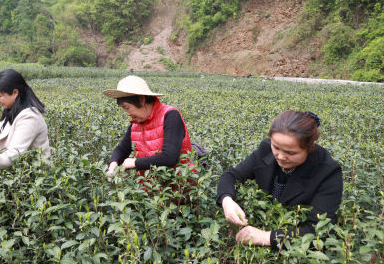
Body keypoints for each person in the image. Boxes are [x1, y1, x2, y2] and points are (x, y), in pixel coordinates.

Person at [217, 111, 343, 248]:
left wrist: (265, 237)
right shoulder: (265, 149)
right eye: (276, 147)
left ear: (311, 146)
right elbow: (231, 176)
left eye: (291, 153)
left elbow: (320, 233)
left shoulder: (328, 171)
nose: (280, 157)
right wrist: (227, 200)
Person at [103, 75, 193, 181]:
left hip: (178, 188)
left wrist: (134, 162)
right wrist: (113, 165)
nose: (127, 113)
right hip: (149, 189)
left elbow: (169, 157)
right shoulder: (136, 123)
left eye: (127, 108)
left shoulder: (170, 116)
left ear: (141, 100)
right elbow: (122, 149)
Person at [0, 69, 51, 170]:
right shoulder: (14, 109)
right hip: (16, 171)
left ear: (15, 93)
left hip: (32, 175)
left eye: (0, 95)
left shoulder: (30, 117)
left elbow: (12, 156)